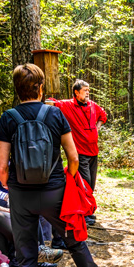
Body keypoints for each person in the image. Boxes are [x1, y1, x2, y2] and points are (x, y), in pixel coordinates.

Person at [0, 63, 109, 267]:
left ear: (17, 89)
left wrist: (14, 187)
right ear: (41, 87)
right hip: (55, 190)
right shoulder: (55, 114)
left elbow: (2, 168)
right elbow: (73, 157)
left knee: (25, 254)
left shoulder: (8, 118)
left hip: (21, 194)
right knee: (74, 238)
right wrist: (66, 181)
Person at [0, 126, 62, 267]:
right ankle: (31, 255)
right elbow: (0, 177)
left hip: (3, 194)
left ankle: (42, 250)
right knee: (21, 217)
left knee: (35, 211)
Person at [47, 80, 108, 225]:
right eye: (85, 90)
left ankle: (88, 211)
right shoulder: (68, 105)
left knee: (91, 184)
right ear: (76, 92)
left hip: (94, 151)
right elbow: (50, 102)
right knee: (84, 184)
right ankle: (84, 214)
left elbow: (103, 115)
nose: (88, 92)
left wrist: (97, 127)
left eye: (88, 90)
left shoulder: (93, 105)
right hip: (80, 152)